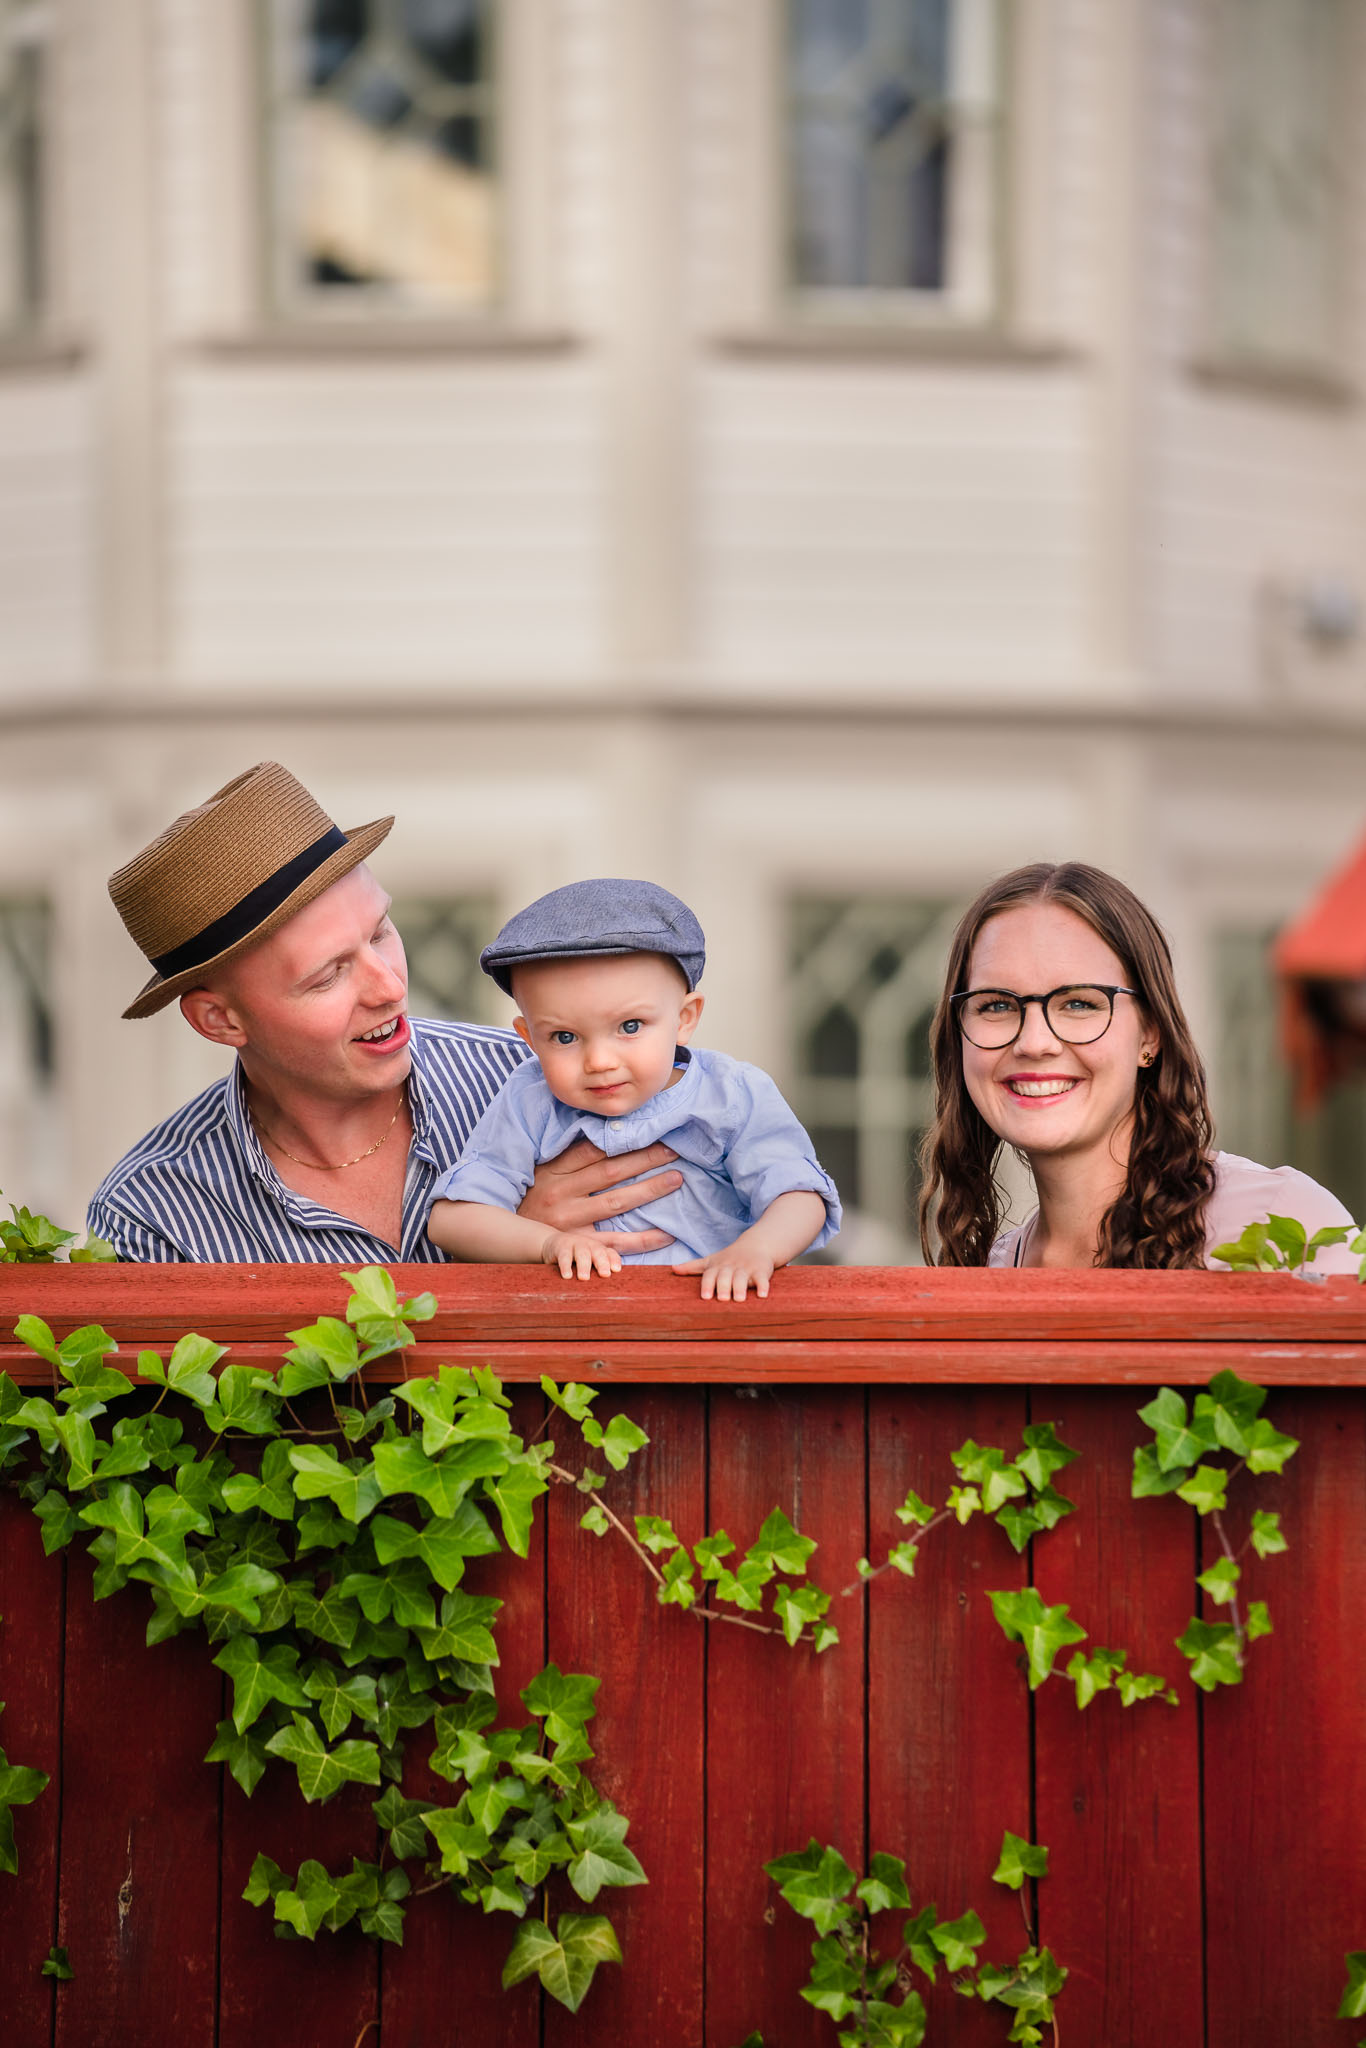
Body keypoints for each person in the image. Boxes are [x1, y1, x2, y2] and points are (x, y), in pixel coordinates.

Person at [87, 763, 686, 1263]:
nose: (390, 985)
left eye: (379, 934)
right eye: (328, 975)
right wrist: (508, 1248)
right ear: (220, 1021)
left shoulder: (542, 1078)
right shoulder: (148, 1215)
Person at [917, 860, 1358, 1271]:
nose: (1034, 1042)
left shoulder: (1279, 1223)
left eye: (1078, 1003)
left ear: (1150, 1033)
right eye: (996, 1005)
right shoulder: (997, 1268)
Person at [427, 878, 841, 1298]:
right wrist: (545, 1242)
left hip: (708, 1316)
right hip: (570, 1329)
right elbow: (453, 1219)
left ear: (685, 1018)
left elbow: (799, 1193)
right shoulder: (529, 1101)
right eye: (564, 1037)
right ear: (529, 1038)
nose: (599, 1061)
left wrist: (758, 1249)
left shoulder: (729, 1094)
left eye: (630, 1027)